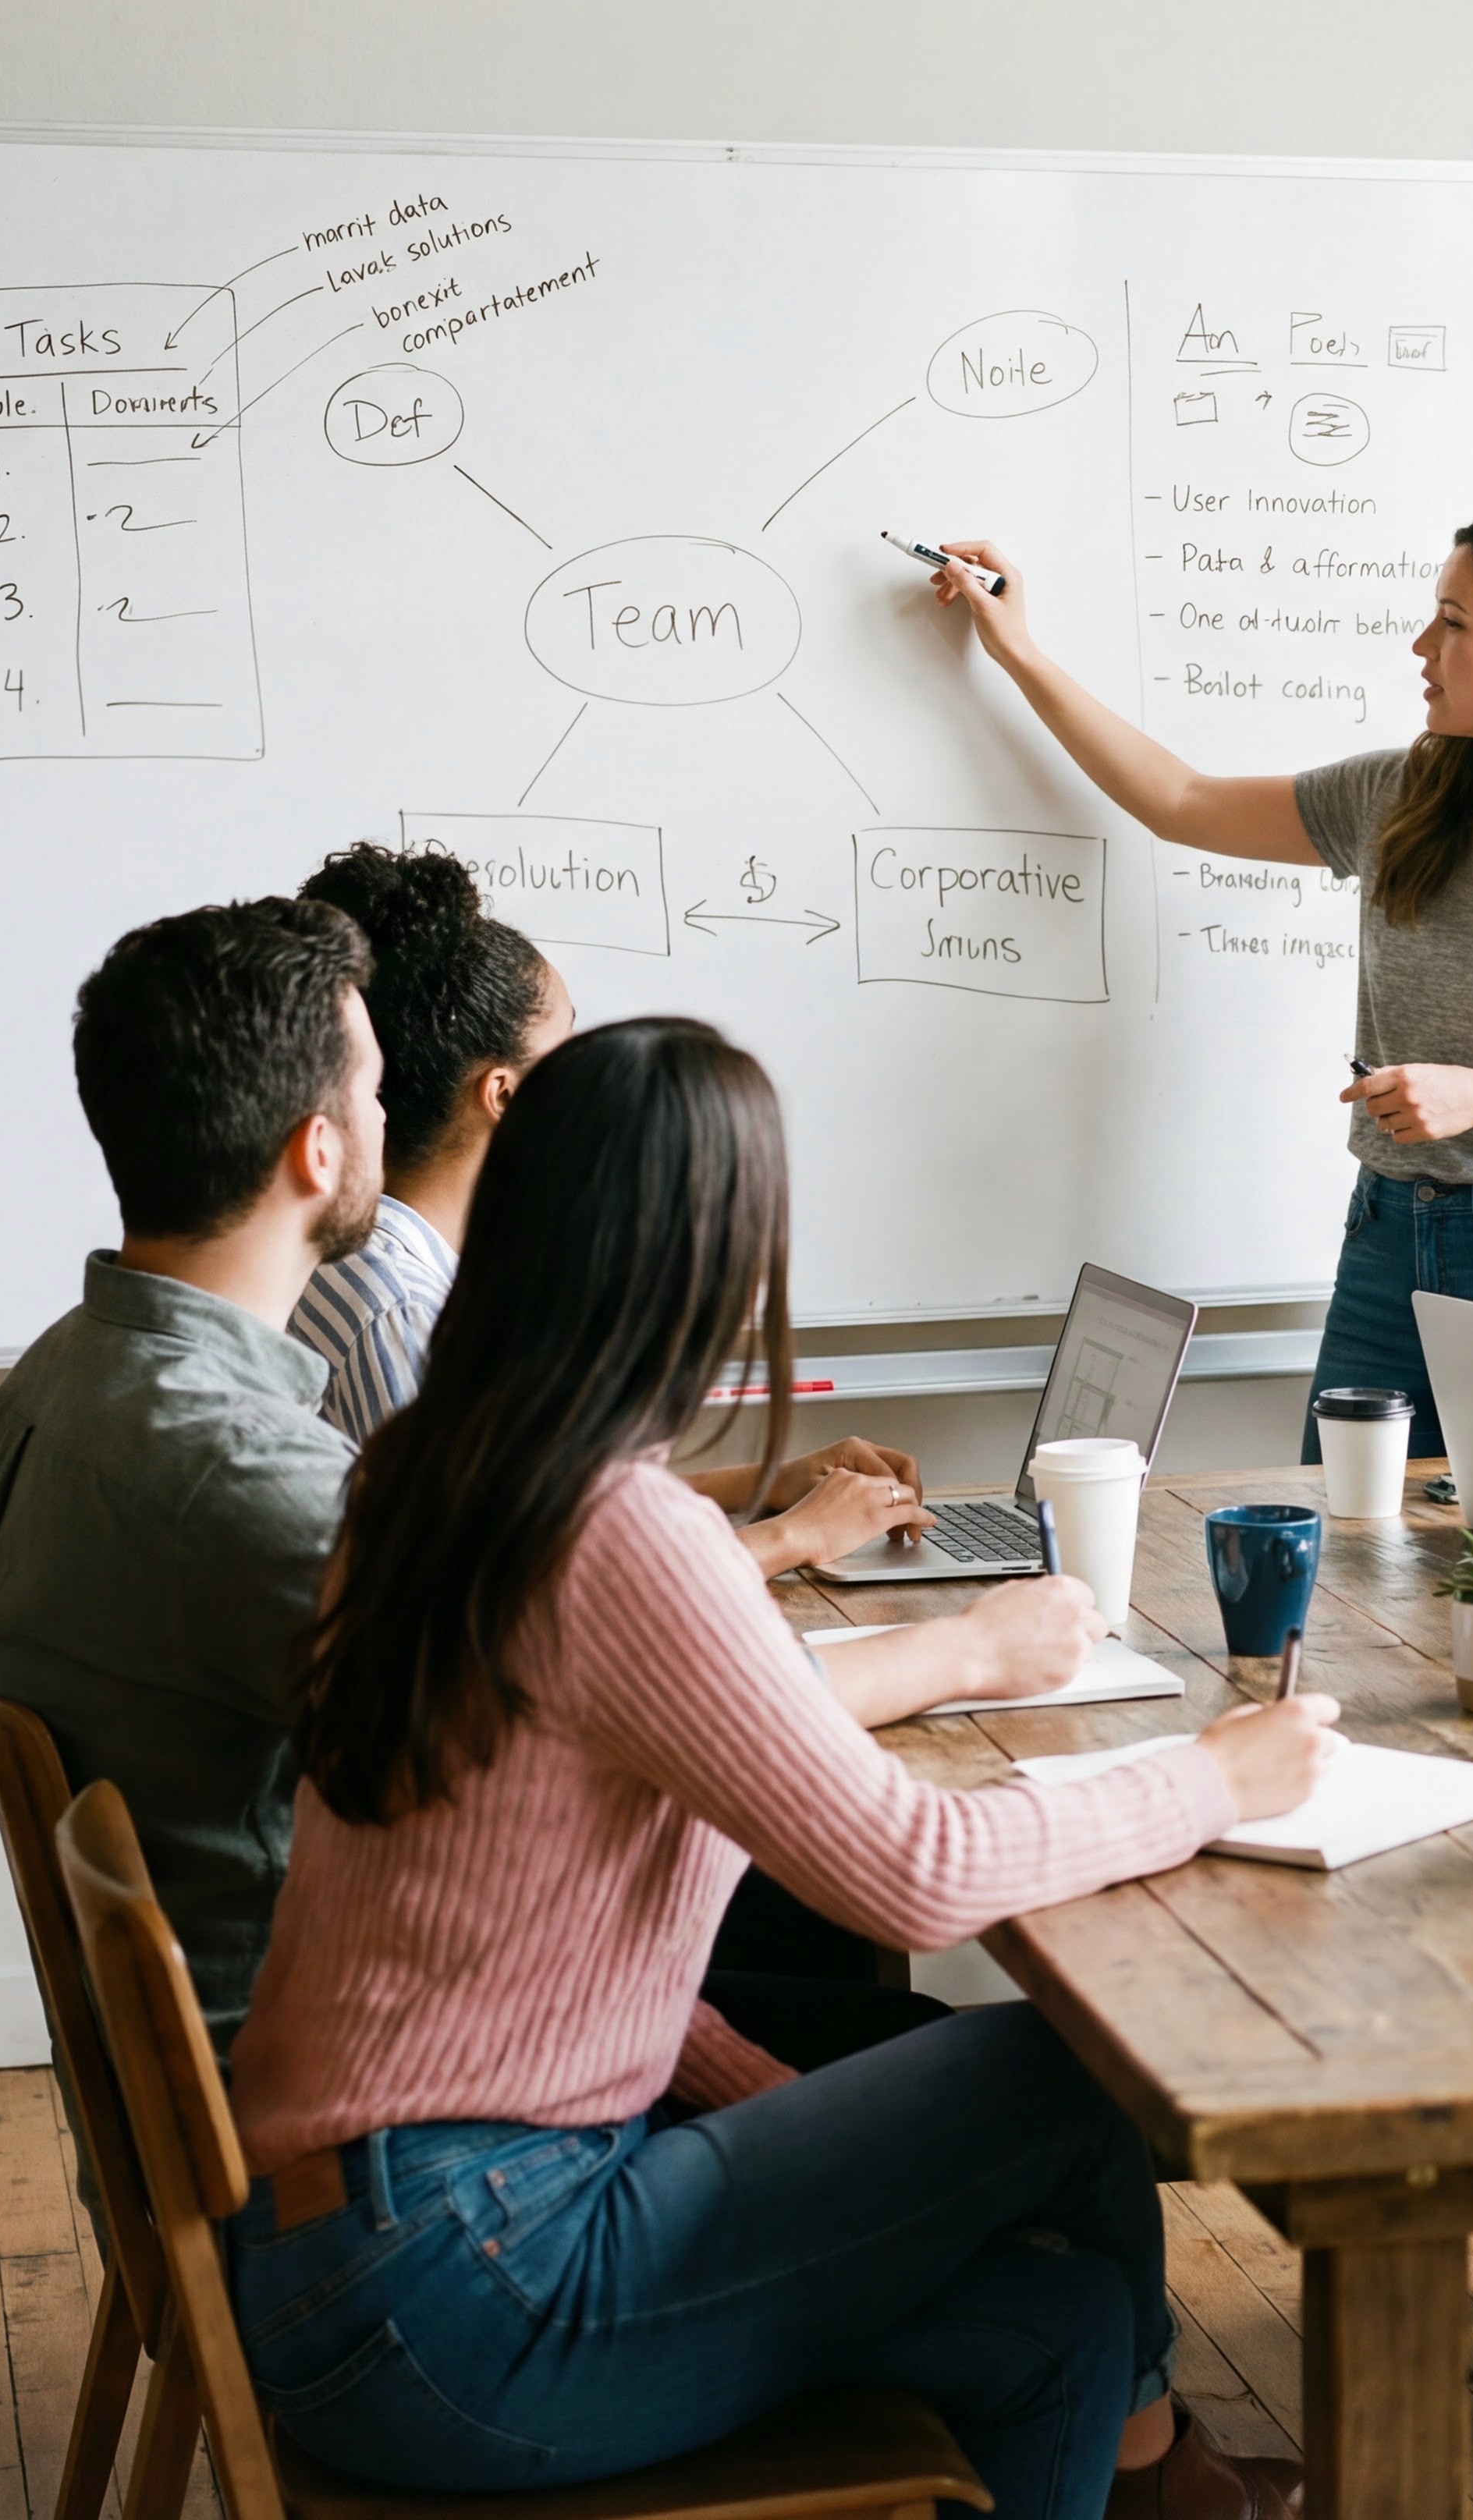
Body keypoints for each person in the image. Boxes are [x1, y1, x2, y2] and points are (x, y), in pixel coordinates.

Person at [225, 1016, 1338, 2520]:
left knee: (1052, 2327)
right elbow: (916, 1868)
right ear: (709, 1264)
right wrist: (1217, 1776)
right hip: (468, 2288)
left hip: (339, 2261)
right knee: (1055, 2072)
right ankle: (1172, 2480)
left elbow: (546, 1941)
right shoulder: (622, 1534)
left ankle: (1151, 2475)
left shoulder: (427, 1474)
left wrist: (769, 2099)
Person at [282, 841, 1101, 2067]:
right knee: (1043, 2082)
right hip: (487, 2168)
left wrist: (733, 2082)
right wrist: (1194, 1765)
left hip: (464, 2082)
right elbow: (911, 1869)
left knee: (898, 2010)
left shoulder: (447, 1422)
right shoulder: (412, 1322)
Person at [927, 511, 1473, 1452]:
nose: (1422, 644)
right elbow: (1178, 801)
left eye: (1454, 622)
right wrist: (1017, 649)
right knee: (1352, 1571)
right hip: (1389, 1240)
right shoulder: (1402, 798)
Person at [0, 898, 382, 2053]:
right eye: (374, 1092)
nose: (385, 1116)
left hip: (199, 2130)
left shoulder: (53, 1385)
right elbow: (557, 1755)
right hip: (354, 2153)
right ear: (319, 1147)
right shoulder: (249, 1472)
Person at [285, 841, 918, 1584]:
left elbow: (535, 1515)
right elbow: (522, 1592)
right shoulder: (402, 1313)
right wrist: (792, 1540)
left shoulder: (392, 1257)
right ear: (505, 1094)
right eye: (567, 1043)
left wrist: (767, 1486)